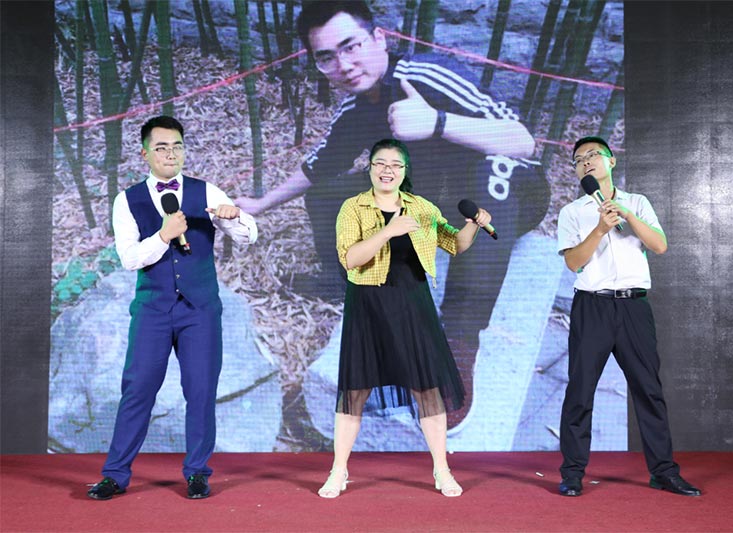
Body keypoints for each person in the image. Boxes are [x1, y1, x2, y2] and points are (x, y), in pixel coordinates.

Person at [237, 0, 549, 429]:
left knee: (491, 170)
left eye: (351, 46)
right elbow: (317, 167)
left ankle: (459, 341)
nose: (344, 65)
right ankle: (340, 278)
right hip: (440, 202)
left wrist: (437, 122)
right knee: (330, 192)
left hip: (507, 193)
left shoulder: (427, 76)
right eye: (327, 57)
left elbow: (523, 142)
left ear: (379, 38)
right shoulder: (355, 109)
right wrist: (260, 204)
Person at [87, 115, 258, 500]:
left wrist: (236, 218)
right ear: (145, 153)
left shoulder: (206, 190)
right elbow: (130, 258)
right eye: (161, 147)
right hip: (153, 309)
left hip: (200, 310)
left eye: (177, 146)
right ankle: (115, 474)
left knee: (201, 390)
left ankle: (197, 472)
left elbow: (247, 237)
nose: (170, 154)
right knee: (138, 389)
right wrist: (163, 236)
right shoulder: (127, 200)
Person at [316, 138, 491, 498]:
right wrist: (387, 231)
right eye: (381, 163)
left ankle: (442, 470)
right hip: (368, 305)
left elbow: (454, 244)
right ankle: (338, 471)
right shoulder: (353, 208)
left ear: (405, 171)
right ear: (370, 168)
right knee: (354, 391)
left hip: (413, 305)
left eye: (396, 165)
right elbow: (350, 259)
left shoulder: (421, 208)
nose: (388, 170)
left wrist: (473, 225)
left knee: (427, 388)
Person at [555, 136, 700, 497]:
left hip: (634, 307)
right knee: (580, 391)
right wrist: (600, 228)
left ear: (611, 161)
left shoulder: (637, 202)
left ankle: (663, 472)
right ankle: (572, 473)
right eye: (579, 160)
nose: (586, 162)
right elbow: (573, 262)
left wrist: (626, 215)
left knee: (648, 390)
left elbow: (659, 245)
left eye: (593, 155)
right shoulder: (572, 212)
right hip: (592, 306)